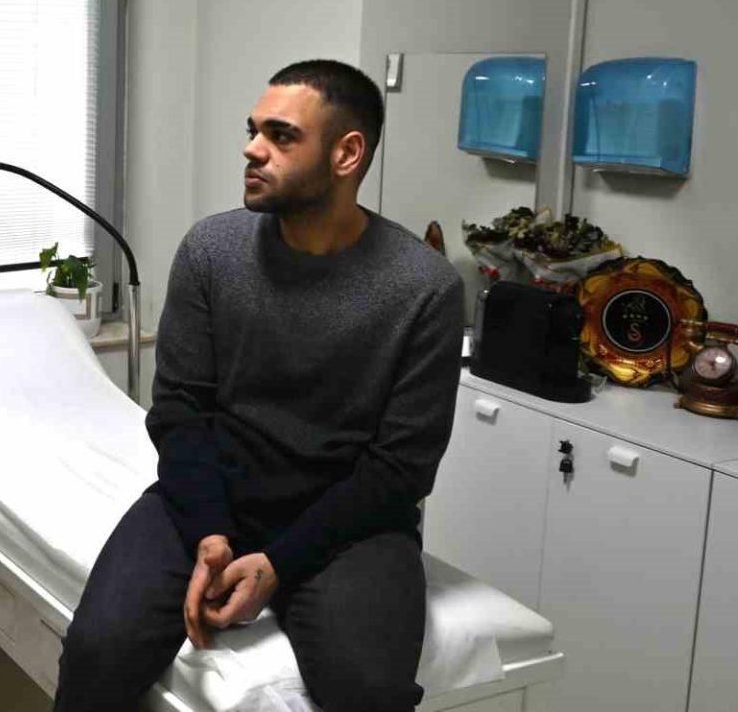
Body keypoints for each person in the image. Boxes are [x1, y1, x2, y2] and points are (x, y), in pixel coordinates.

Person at [54, 60, 463, 711]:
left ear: (346, 154)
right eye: (253, 131)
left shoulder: (424, 288)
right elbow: (179, 410)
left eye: (281, 135)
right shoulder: (212, 251)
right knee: (97, 651)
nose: (252, 148)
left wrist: (278, 565)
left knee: (371, 691)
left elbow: (401, 466)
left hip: (351, 523)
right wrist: (211, 535)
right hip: (215, 493)